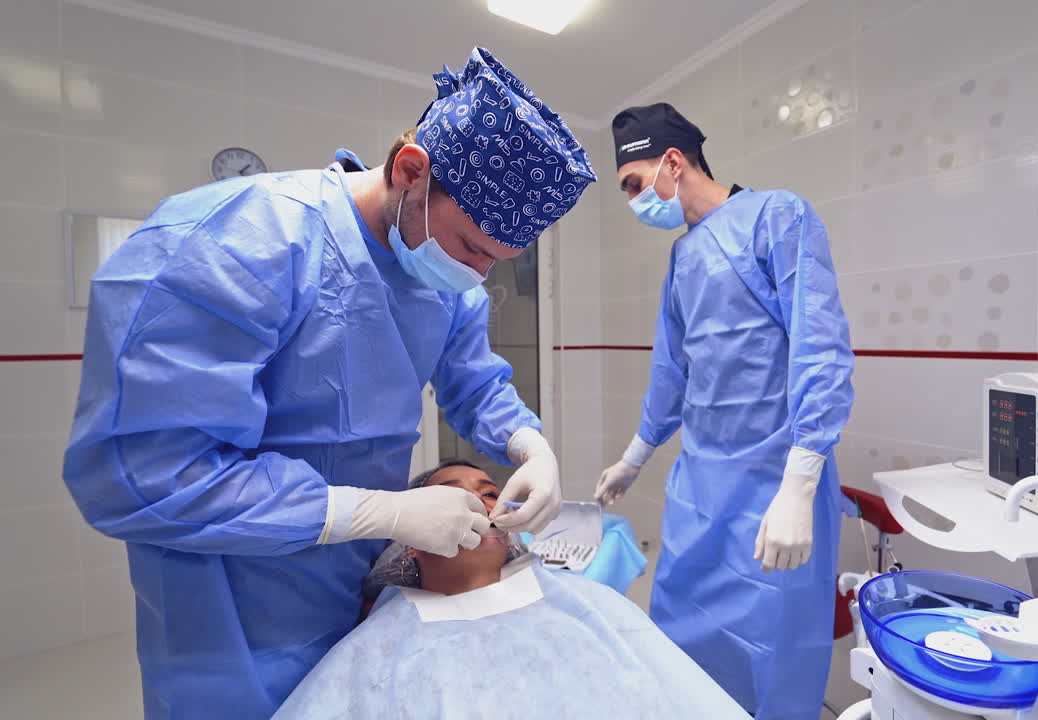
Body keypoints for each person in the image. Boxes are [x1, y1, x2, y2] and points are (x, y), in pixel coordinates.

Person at [62, 47, 596, 720]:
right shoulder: (240, 243)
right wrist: (378, 513)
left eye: (498, 261)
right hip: (229, 612)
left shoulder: (444, 283)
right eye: (471, 247)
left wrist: (529, 445)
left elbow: (473, 381)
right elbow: (140, 474)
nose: (477, 275)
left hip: (349, 588)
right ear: (410, 172)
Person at [595, 102, 855, 719]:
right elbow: (672, 369)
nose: (632, 202)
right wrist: (634, 457)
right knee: (682, 636)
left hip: (773, 487)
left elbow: (819, 348)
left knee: (771, 653)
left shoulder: (777, 216)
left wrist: (799, 484)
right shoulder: (683, 256)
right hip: (700, 488)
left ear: (672, 162)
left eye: (633, 184)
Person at [273, 461, 752, 720]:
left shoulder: (587, 605)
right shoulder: (377, 647)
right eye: (452, 495)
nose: (480, 503)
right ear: (411, 543)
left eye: (489, 492)